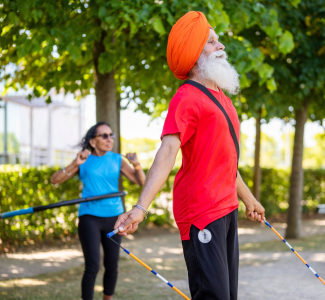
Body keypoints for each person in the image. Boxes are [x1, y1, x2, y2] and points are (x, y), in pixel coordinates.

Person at [114, 11, 265, 300]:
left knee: (228, 295)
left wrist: (249, 199)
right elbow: (168, 151)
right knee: (213, 295)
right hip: (200, 210)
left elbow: (225, 163)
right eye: (211, 42)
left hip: (227, 208)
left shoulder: (223, 99)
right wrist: (140, 208)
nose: (220, 46)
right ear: (195, 54)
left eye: (218, 41)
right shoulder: (186, 98)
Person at [50, 121, 145, 300]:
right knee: (92, 265)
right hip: (90, 217)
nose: (109, 139)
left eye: (111, 135)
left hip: (114, 218)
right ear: (93, 142)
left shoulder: (117, 159)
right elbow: (55, 180)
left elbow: (140, 181)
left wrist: (137, 165)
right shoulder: (83, 160)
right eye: (104, 136)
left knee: (112, 264)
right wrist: (74, 164)